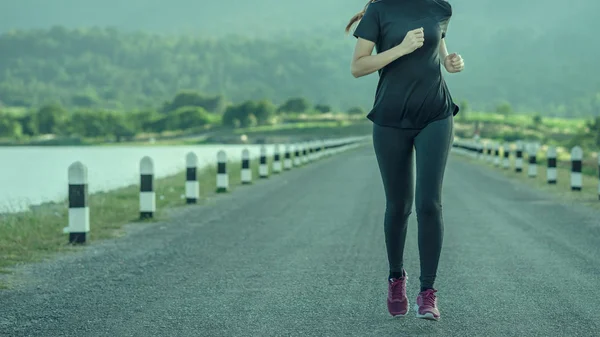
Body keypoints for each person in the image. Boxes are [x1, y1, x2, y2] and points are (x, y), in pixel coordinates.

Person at [346, 0, 464, 321]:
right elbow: (358, 66)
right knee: (398, 206)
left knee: (429, 204)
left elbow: (437, 42)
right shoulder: (379, 10)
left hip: (435, 113)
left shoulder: (441, 7)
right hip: (390, 117)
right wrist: (400, 49)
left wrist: (449, 61)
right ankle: (396, 278)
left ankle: (428, 293)